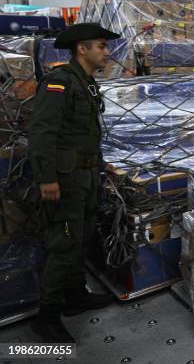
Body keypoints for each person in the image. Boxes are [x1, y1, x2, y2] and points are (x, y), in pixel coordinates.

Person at [27, 23, 120, 343]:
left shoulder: (86, 83)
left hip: (85, 177)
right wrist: (47, 178)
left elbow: (82, 134)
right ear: (83, 49)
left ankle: (76, 296)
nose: (106, 53)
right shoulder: (59, 82)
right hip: (64, 181)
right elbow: (42, 133)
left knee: (80, 238)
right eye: (101, 46)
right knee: (64, 245)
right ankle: (46, 317)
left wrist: (99, 162)